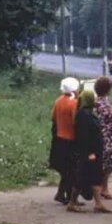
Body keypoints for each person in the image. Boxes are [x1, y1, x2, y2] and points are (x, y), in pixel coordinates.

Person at [70, 85, 110, 213]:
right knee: (83, 176)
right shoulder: (84, 116)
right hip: (89, 152)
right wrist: (90, 152)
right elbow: (84, 136)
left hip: (94, 151)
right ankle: (72, 201)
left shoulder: (85, 113)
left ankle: (98, 203)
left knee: (94, 177)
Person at [49, 77, 78, 205]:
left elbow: (53, 117)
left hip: (59, 138)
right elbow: (75, 121)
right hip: (71, 139)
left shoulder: (58, 101)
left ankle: (61, 194)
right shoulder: (74, 103)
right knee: (71, 170)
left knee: (66, 170)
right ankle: (69, 196)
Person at [92, 76, 112, 199]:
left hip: (108, 135)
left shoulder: (101, 101)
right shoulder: (101, 103)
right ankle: (102, 188)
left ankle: (104, 187)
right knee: (105, 163)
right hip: (105, 136)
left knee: (108, 163)